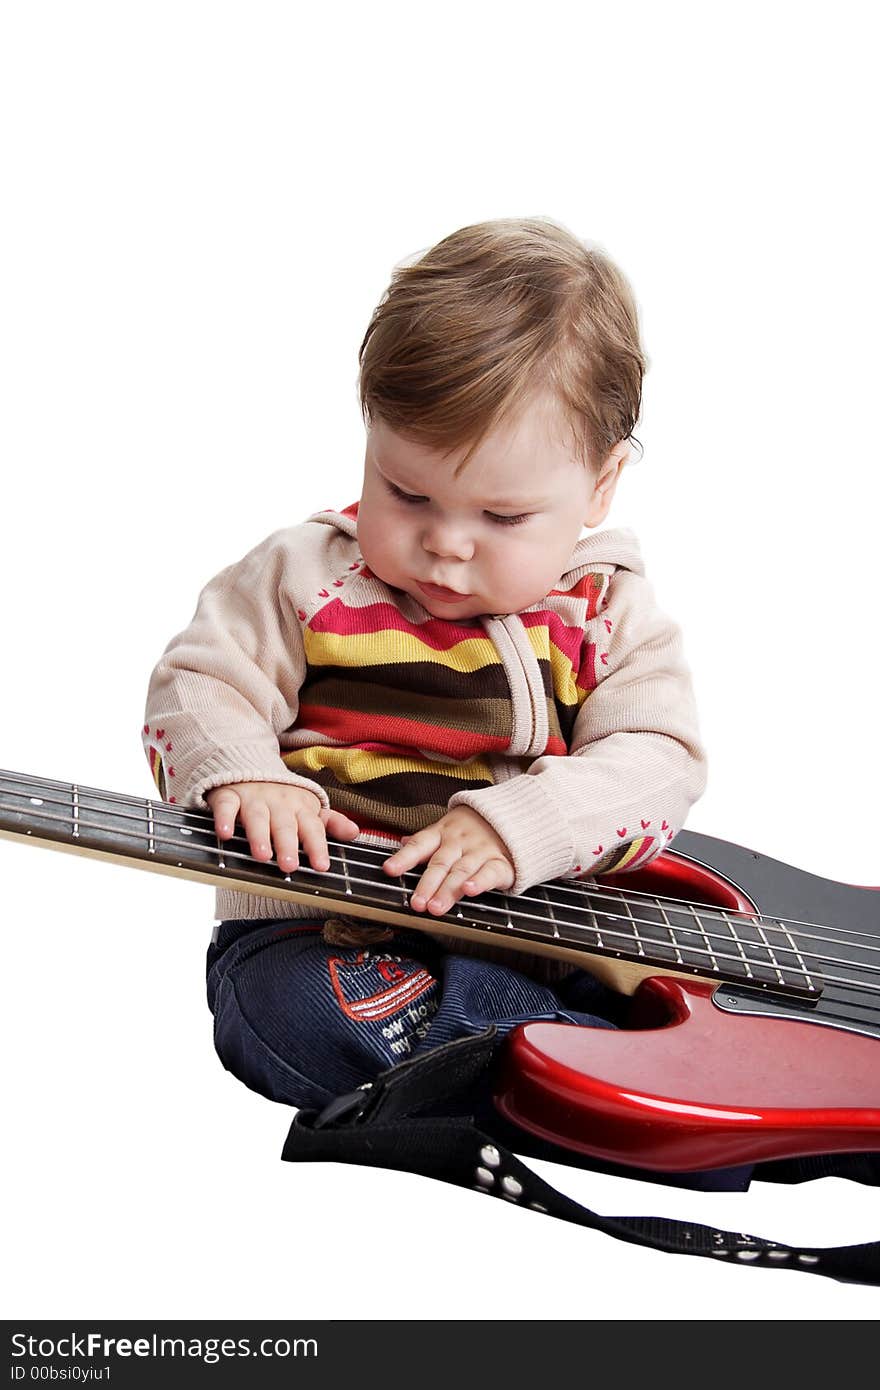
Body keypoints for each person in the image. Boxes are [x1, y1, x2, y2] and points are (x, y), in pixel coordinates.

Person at [143, 216, 707, 1113]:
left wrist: (522, 822)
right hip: (325, 937)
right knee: (277, 1012)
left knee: (684, 1000)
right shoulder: (307, 577)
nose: (445, 544)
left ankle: (583, 1066)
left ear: (601, 485)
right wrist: (246, 775)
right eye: (406, 492)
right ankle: (584, 1080)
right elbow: (200, 680)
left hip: (547, 938)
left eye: (503, 517)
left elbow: (659, 760)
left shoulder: (604, 611)